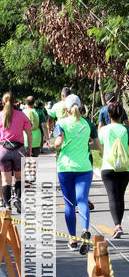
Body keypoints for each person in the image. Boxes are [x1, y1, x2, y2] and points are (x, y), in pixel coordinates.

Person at [52, 93, 99, 253]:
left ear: (66, 109)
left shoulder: (61, 123)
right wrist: (84, 144)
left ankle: (72, 240)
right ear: (79, 106)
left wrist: (53, 145)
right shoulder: (88, 124)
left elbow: (58, 142)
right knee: (82, 201)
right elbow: (97, 146)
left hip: (65, 168)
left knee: (69, 204)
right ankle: (85, 230)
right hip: (84, 167)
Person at [0, 92, 32, 213]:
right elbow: (29, 133)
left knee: (5, 180)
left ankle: (7, 205)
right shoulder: (21, 115)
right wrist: (29, 150)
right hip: (19, 150)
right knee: (19, 178)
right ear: (14, 102)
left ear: (3, 103)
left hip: (3, 150)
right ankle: (18, 198)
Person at [98, 100, 129, 239]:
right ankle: (119, 224)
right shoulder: (126, 130)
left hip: (108, 167)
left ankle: (117, 225)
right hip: (124, 167)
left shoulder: (104, 130)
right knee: (120, 197)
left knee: (112, 197)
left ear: (109, 115)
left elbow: (99, 145)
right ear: (122, 115)